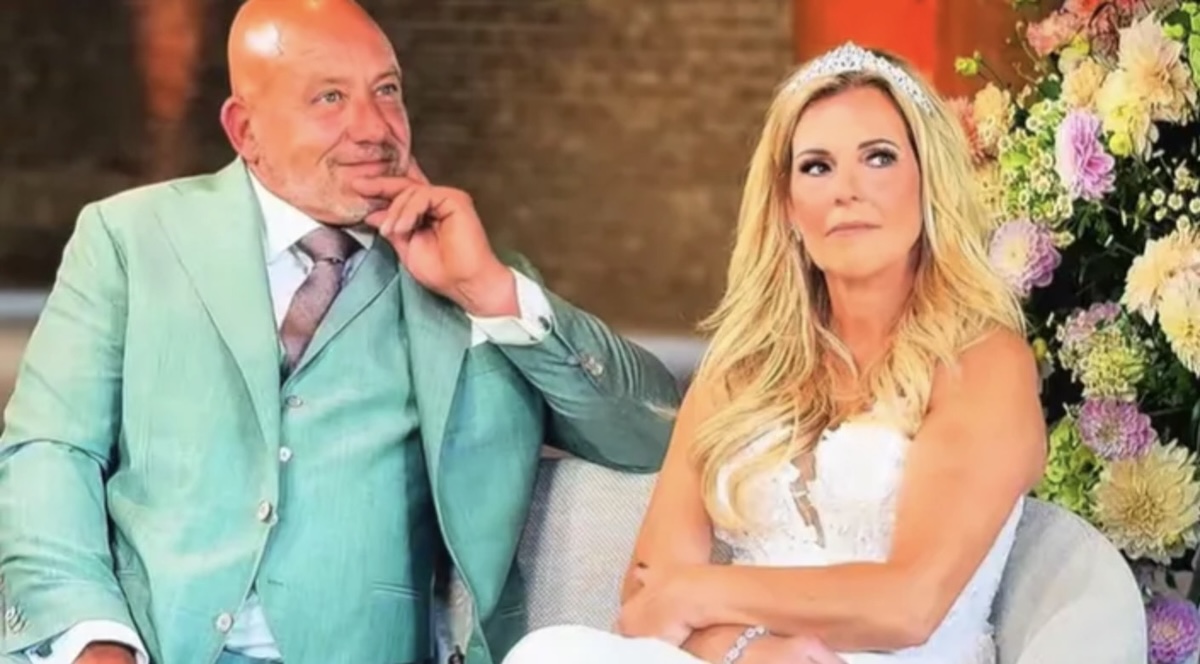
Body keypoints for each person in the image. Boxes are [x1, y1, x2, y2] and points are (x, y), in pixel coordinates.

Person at [0, 1, 680, 663]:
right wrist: (91, 639)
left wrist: (490, 291)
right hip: (152, 644)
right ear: (245, 130)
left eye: (386, 91)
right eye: (329, 98)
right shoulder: (129, 237)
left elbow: (654, 435)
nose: (374, 128)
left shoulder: (467, 273)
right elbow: (47, 452)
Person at [502, 43, 1047, 664]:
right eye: (816, 167)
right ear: (788, 206)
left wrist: (704, 591)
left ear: (928, 183)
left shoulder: (983, 362)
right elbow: (648, 607)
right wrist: (750, 650)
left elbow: (908, 605)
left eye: (879, 158)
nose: (847, 190)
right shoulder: (739, 370)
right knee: (550, 651)